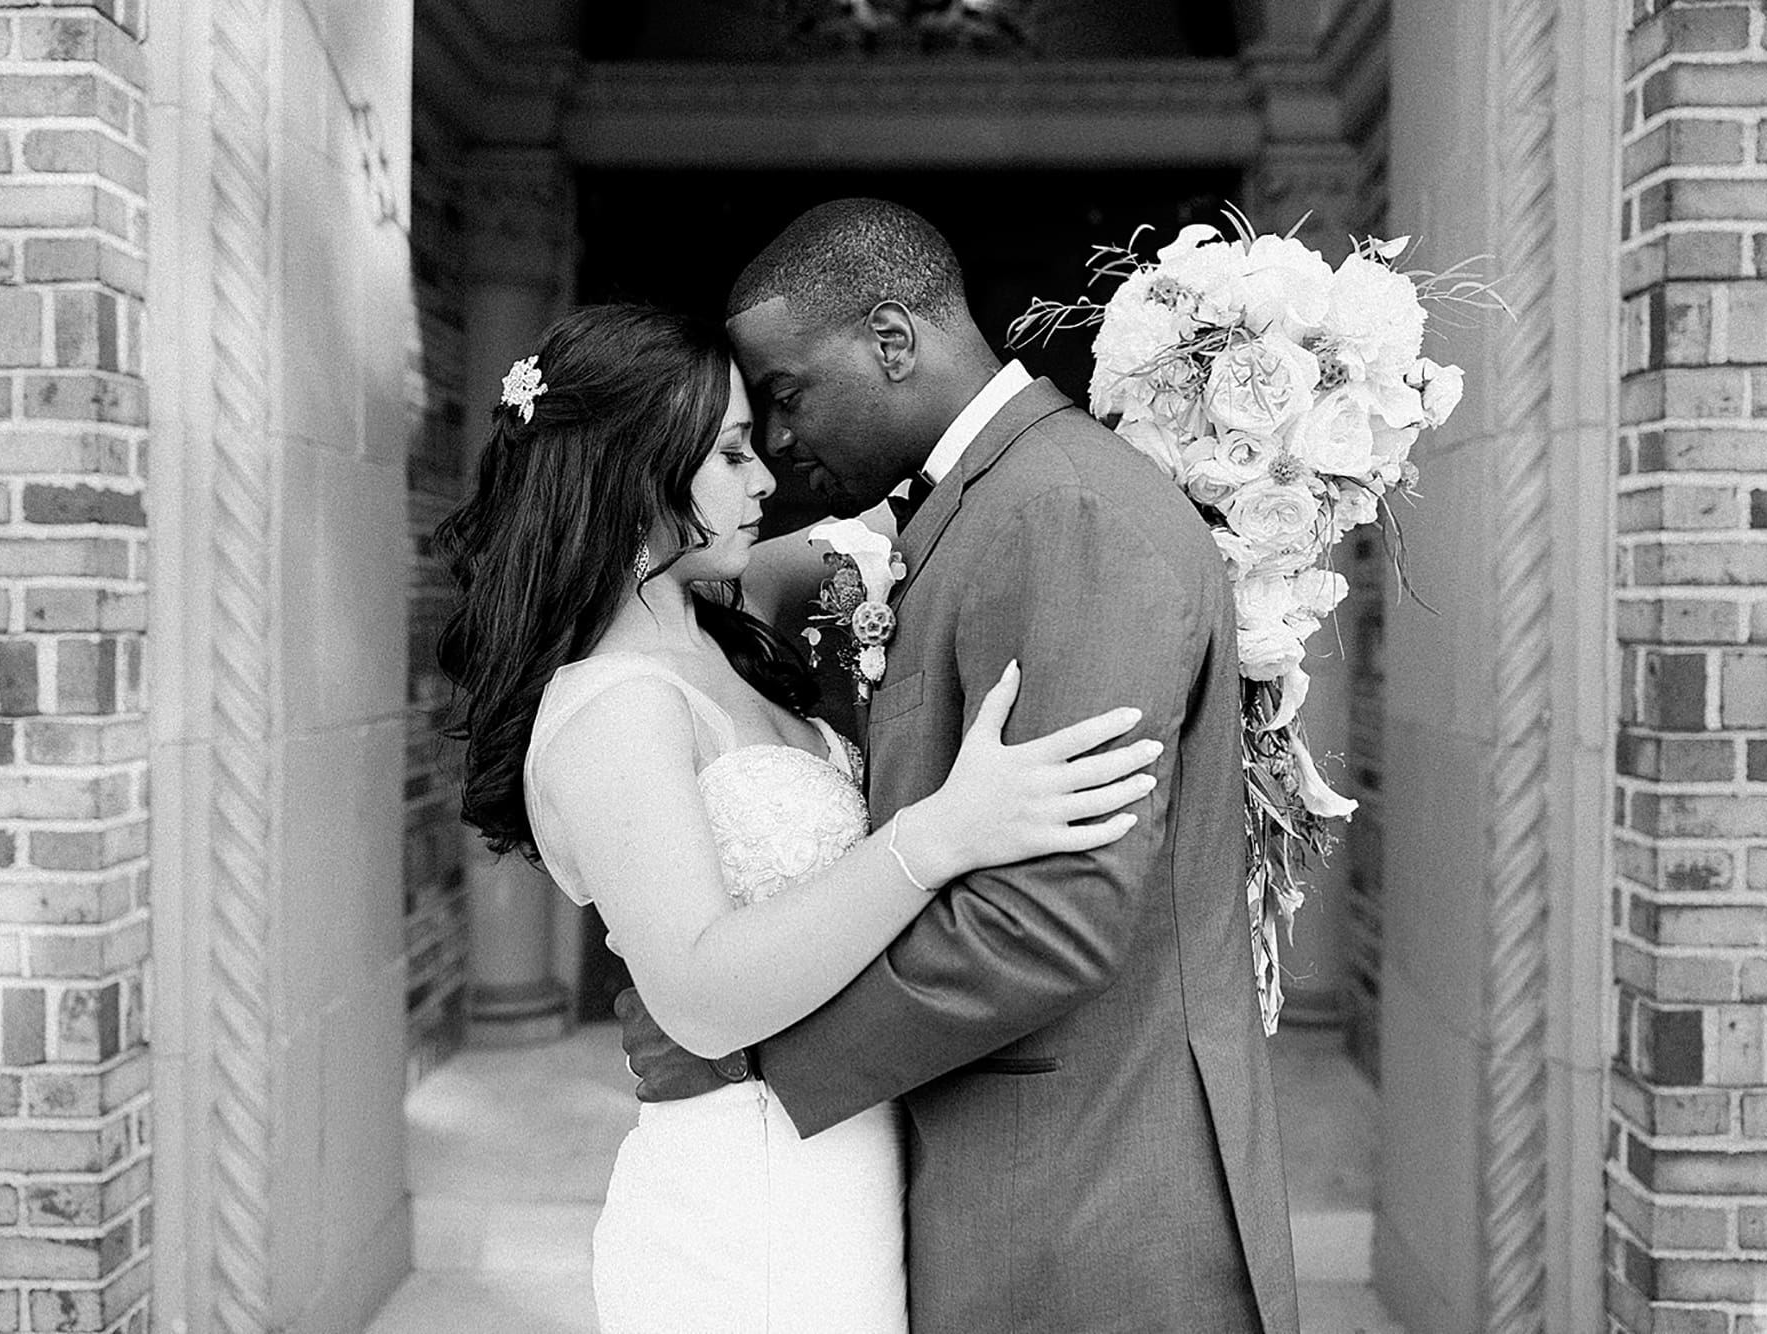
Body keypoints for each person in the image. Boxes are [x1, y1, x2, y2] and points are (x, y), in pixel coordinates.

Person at [619, 199, 1301, 1333]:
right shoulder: (986, 503)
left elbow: (1048, 919)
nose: (776, 441)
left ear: (892, 340)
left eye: (786, 394)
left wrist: (754, 1052)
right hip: (1020, 1195)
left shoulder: (1064, 511)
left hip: (1093, 1211)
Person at [433, 303, 1164, 1333]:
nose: (765, 479)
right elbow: (698, 994)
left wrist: (1191, 438)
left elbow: (951, 503)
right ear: (633, 472)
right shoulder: (613, 707)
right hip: (747, 1202)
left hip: (843, 1158)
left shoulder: (729, 615)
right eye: (731, 453)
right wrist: (939, 835)